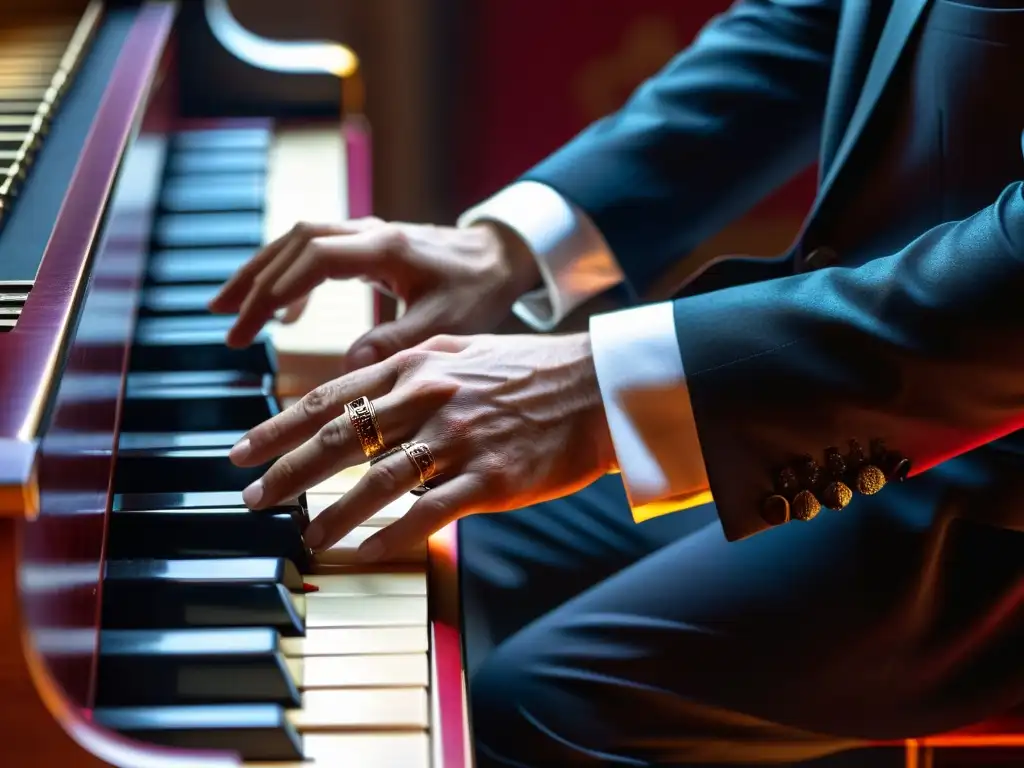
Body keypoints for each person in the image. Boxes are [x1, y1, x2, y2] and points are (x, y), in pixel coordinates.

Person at [210, 0, 1024, 764]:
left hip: (994, 488)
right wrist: (516, 244)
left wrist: (601, 388)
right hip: (853, 401)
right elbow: (817, 21)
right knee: (429, 539)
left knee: (538, 712)